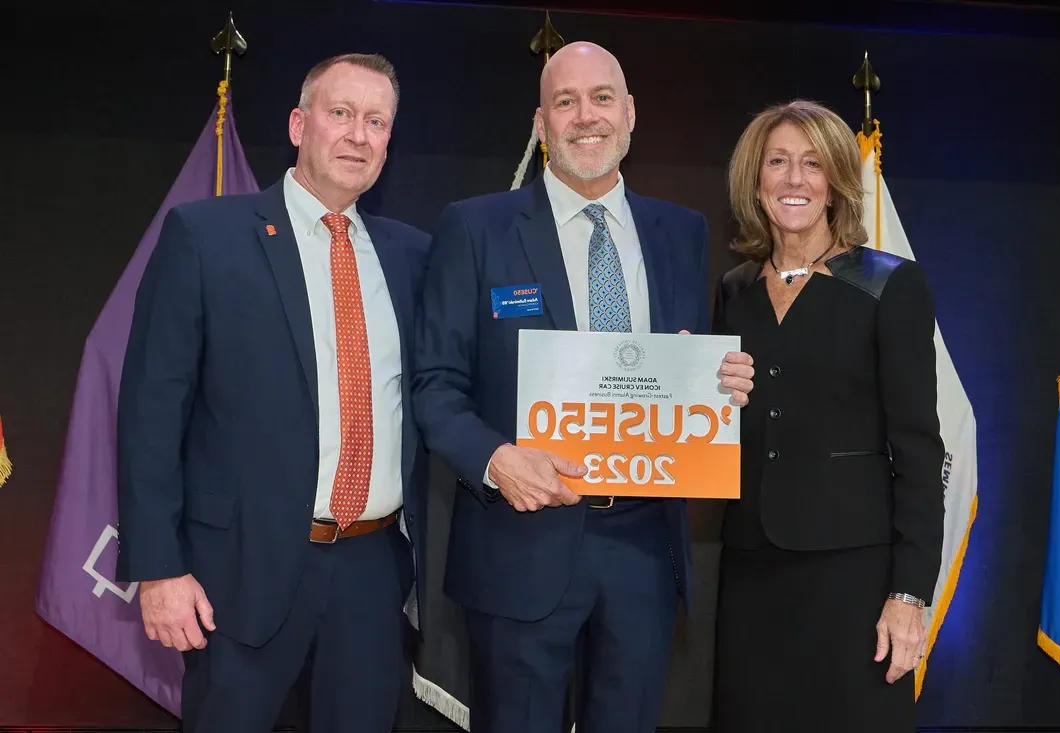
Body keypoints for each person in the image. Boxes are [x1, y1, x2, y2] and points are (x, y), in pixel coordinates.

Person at [411, 41, 754, 733]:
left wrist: (718, 383)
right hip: (518, 544)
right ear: (542, 125)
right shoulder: (475, 228)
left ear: (630, 114)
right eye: (564, 102)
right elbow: (432, 384)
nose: (585, 116)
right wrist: (497, 460)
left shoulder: (681, 233)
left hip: (644, 553)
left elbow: (683, 373)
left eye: (601, 98)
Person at [115, 53, 430, 733]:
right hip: (236, 574)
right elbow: (150, 410)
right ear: (298, 123)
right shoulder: (205, 237)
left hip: (373, 574)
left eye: (377, 121)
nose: (358, 134)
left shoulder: (414, 256)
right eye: (340, 113)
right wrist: (158, 567)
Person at [710, 99, 945, 732]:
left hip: (856, 580)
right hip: (752, 572)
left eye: (813, 164)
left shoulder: (890, 286)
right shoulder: (734, 290)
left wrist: (910, 592)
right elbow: (721, 431)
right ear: (754, 182)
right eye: (778, 162)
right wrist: (695, 392)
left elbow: (921, 452)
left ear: (838, 180)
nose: (794, 180)